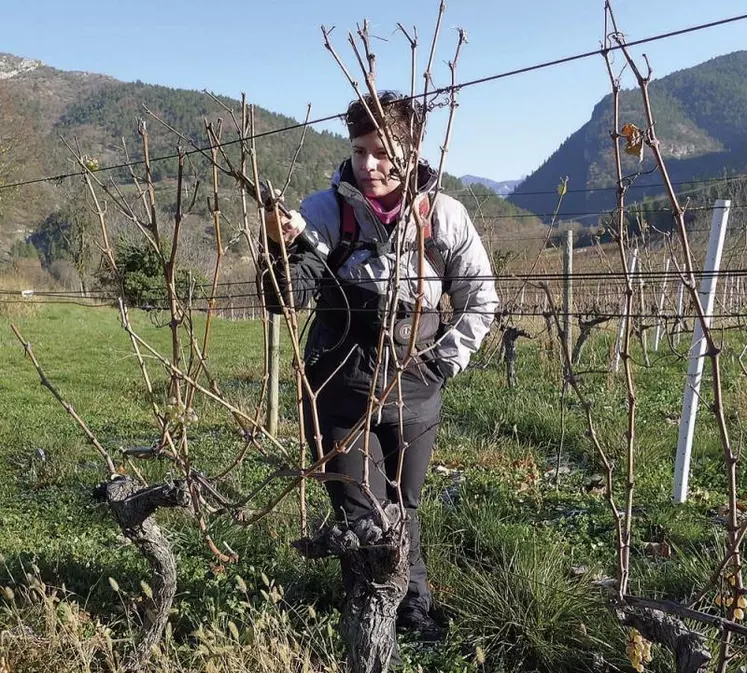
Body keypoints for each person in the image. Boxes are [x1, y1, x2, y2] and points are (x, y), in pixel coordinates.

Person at [263, 91, 497, 639]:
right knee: (359, 509)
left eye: (383, 152)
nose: (369, 165)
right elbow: (284, 297)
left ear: (412, 150)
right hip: (338, 385)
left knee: (403, 506)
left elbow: (480, 300)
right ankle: (369, 608)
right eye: (359, 150)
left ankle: (412, 604)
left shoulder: (443, 216)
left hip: (417, 387)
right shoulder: (323, 212)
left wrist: (440, 363)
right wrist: (282, 249)